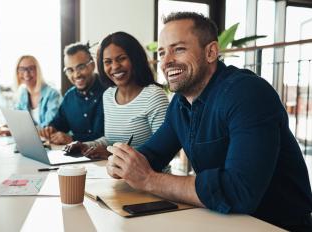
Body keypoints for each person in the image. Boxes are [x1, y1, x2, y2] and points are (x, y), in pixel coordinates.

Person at [106, 12, 312, 231]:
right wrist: (123, 162)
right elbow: (152, 155)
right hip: (221, 220)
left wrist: (149, 179)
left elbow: (239, 191)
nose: (166, 62)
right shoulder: (180, 103)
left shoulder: (247, 93)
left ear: (211, 52)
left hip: (276, 224)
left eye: (179, 49)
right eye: (162, 52)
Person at [65, 31, 169, 160]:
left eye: (121, 58)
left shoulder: (154, 96)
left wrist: (112, 154)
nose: (115, 66)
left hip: (148, 178)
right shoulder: (108, 95)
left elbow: (164, 150)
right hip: (114, 175)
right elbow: (109, 140)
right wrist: (84, 145)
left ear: (134, 58)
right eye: (108, 62)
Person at [39, 42, 106, 145]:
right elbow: (58, 124)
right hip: (77, 157)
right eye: (70, 70)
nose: (76, 75)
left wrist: (72, 139)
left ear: (92, 65)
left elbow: (105, 136)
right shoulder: (69, 97)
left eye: (81, 67)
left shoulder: (109, 92)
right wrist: (50, 129)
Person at [0, 55, 61, 136]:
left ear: (38, 71)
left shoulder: (52, 94)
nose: (26, 73)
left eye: (31, 69)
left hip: (54, 144)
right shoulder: (23, 94)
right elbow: (16, 122)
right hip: (34, 142)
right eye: (22, 69)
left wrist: (12, 132)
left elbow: (47, 129)